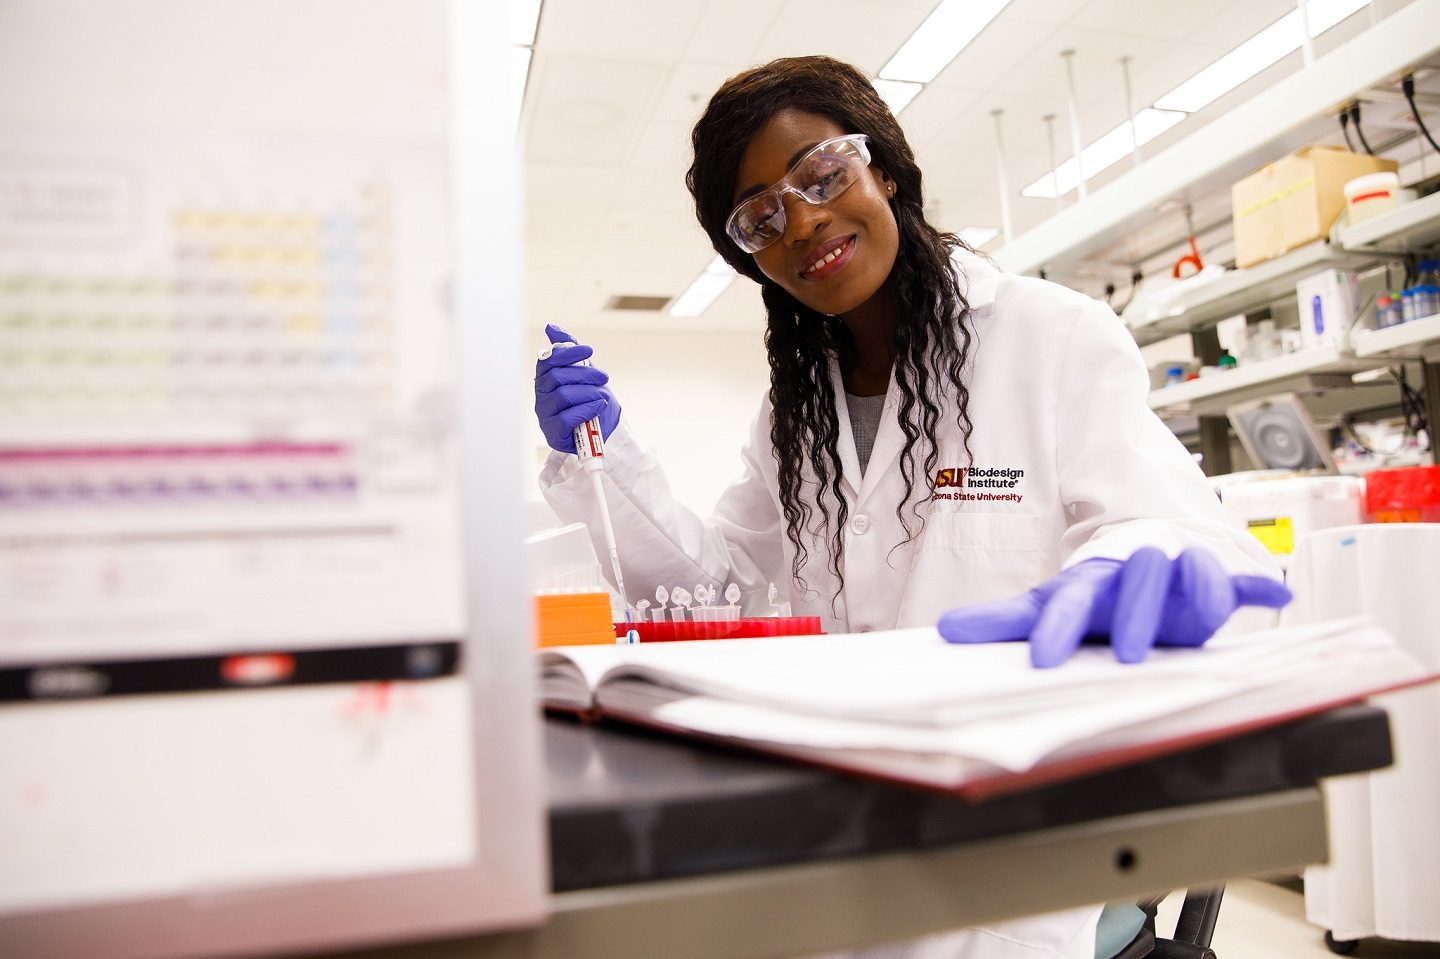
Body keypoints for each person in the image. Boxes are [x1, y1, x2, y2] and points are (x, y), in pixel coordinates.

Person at [534, 56, 1288, 959]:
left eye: (822, 174)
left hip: (1021, 837)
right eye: (761, 217)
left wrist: (1133, 571)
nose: (804, 220)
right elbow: (726, 588)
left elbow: (1159, 522)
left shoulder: (1048, 337)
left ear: (882, 167)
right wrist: (606, 457)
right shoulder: (795, 411)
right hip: (848, 823)